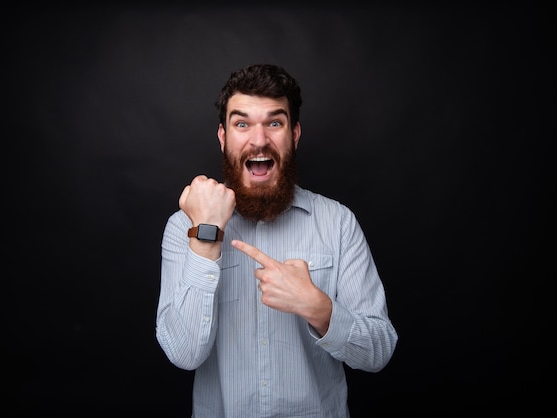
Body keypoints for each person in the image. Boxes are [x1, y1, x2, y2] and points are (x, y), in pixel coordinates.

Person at [156, 64, 398, 417]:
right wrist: (206, 236)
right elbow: (184, 353)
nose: (258, 140)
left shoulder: (338, 223)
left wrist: (318, 308)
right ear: (223, 137)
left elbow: (380, 350)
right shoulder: (184, 227)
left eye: (274, 122)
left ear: (294, 134)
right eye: (242, 124)